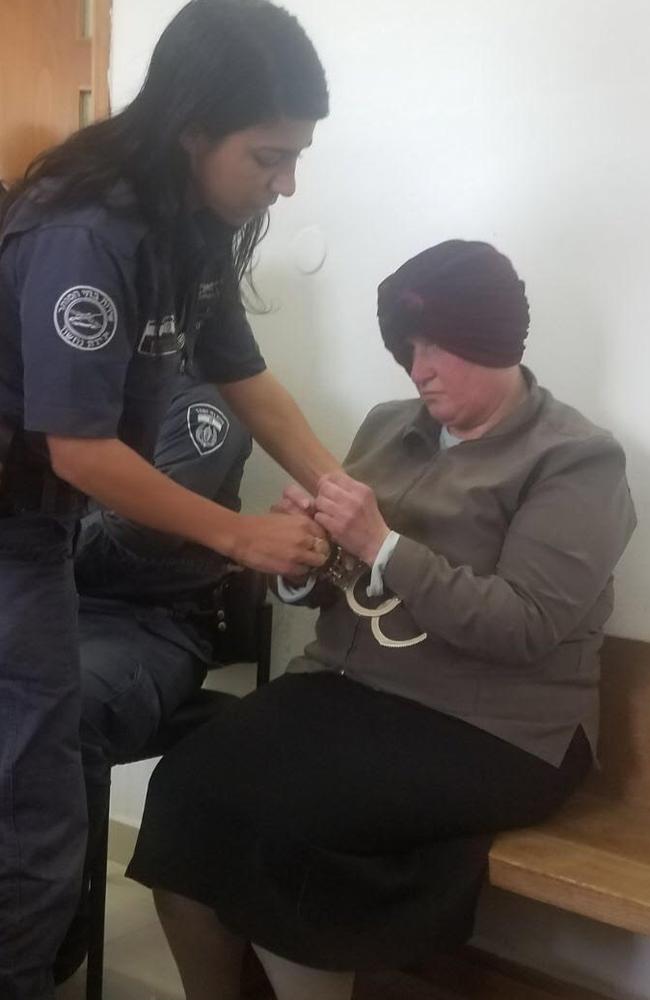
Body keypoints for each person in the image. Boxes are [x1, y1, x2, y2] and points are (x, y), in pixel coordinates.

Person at [127, 241, 637, 1000]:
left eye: (438, 344)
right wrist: (305, 565)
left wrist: (380, 543)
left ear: (494, 338)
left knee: (291, 826)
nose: (418, 366)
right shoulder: (390, 425)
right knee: (185, 785)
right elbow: (343, 582)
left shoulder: (575, 459)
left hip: (497, 729)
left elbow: (524, 626)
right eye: (407, 346)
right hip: (350, 689)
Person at [0, 2, 339, 996]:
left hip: (36, 527)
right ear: (195, 127)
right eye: (268, 156)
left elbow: (246, 377)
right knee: (36, 803)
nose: (286, 183)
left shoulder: (191, 222)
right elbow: (80, 452)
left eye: (296, 156)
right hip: (20, 518)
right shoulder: (85, 231)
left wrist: (337, 484)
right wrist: (241, 536)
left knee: (31, 786)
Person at [53, 371, 253, 984]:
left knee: (61, 710)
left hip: (147, 624)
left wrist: (29, 539)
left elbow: (135, 532)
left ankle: (53, 940)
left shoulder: (202, 403)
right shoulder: (73, 390)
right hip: (49, 600)